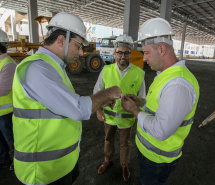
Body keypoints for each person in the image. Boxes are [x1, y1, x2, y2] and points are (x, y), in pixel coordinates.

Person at [12, 12, 121, 185]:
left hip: (60, 166)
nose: (80, 51)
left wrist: (100, 101)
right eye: (78, 45)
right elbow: (78, 109)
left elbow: (66, 105)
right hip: (41, 173)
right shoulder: (37, 69)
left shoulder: (53, 67)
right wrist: (107, 93)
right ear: (61, 40)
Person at [121, 18, 200, 185]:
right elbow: (158, 107)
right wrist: (141, 102)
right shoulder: (166, 76)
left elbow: (161, 130)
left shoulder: (178, 84)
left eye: (147, 53)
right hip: (150, 154)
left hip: (157, 160)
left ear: (162, 49)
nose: (143, 59)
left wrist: (135, 111)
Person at [94, 34, 146, 182]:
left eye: (126, 53)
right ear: (115, 53)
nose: (123, 56)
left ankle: (124, 166)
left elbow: (142, 99)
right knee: (108, 139)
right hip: (109, 117)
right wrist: (98, 110)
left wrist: (138, 114)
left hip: (127, 119)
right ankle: (108, 160)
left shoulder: (139, 73)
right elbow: (96, 92)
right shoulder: (106, 70)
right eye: (120, 53)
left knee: (125, 143)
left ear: (130, 54)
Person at [0, 29, 17, 171]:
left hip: (7, 112)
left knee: (13, 139)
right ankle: (4, 159)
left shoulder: (8, 64)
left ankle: (18, 161)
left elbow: (2, 90)